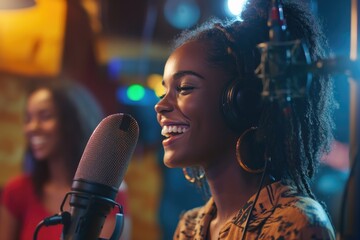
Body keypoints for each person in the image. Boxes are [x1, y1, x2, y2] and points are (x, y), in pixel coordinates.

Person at [154, 0, 336, 239]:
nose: (161, 105)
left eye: (185, 87)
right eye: (164, 91)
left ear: (241, 100)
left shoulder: (298, 223)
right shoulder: (189, 227)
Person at [0, 78, 131, 240]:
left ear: (72, 121)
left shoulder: (109, 197)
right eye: (28, 119)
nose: (32, 127)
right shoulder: (17, 191)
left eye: (45, 116)